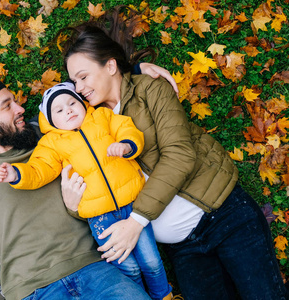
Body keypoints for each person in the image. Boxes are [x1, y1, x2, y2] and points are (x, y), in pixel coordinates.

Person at [60, 6, 288, 300]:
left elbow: (180, 155)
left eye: (82, 77)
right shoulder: (88, 123)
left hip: (224, 216)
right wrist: (72, 204)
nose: (78, 89)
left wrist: (136, 222)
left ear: (111, 66)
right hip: (185, 249)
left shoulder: (149, 91)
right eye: (74, 82)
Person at [0, 76, 177, 300]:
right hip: (30, 289)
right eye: (7, 106)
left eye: (15, 102)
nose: (20, 109)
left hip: (95, 269)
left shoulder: (52, 132)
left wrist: (139, 73)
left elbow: (94, 98)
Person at [0, 82, 172, 300]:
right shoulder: (52, 143)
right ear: (51, 121)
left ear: (82, 103)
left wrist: (126, 145)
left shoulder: (102, 117)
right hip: (100, 217)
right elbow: (40, 168)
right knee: (130, 268)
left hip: (133, 203)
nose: (68, 110)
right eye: (58, 110)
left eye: (71, 103)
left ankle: (164, 295)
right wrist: (17, 174)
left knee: (152, 262)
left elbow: (126, 127)